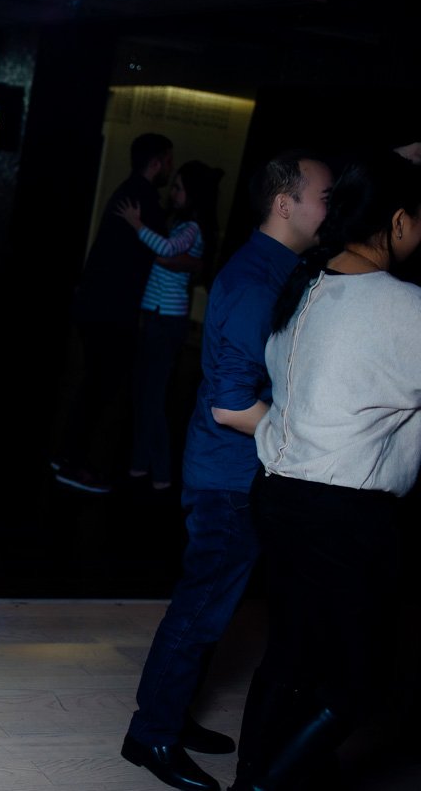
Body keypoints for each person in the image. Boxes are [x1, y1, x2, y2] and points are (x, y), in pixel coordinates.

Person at [121, 151, 333, 791]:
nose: (332, 208)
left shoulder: (278, 268)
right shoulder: (254, 281)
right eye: (324, 196)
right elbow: (232, 403)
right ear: (285, 203)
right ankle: (150, 734)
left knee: (213, 609)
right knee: (200, 611)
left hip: (238, 473)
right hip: (228, 479)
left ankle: (172, 715)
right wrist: (306, 443)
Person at [229, 150, 421, 791]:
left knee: (291, 655)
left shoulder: (306, 285)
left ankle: (251, 776)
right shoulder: (402, 307)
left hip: (279, 496)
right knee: (360, 684)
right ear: (398, 222)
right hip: (344, 514)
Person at [54, 133, 175, 494]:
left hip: (98, 305)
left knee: (93, 385)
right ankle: (74, 465)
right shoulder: (143, 198)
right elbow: (164, 251)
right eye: (168, 161)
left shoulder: (128, 191)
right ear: (157, 162)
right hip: (111, 311)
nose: (170, 169)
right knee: (100, 387)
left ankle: (68, 456)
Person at [118, 161, 224, 490]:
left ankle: (159, 471)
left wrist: (136, 224)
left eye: (179, 188)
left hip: (165, 320)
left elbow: (165, 249)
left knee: (151, 398)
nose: (173, 193)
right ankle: (143, 465)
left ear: (193, 194)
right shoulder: (183, 224)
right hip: (158, 316)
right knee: (146, 395)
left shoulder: (191, 227)